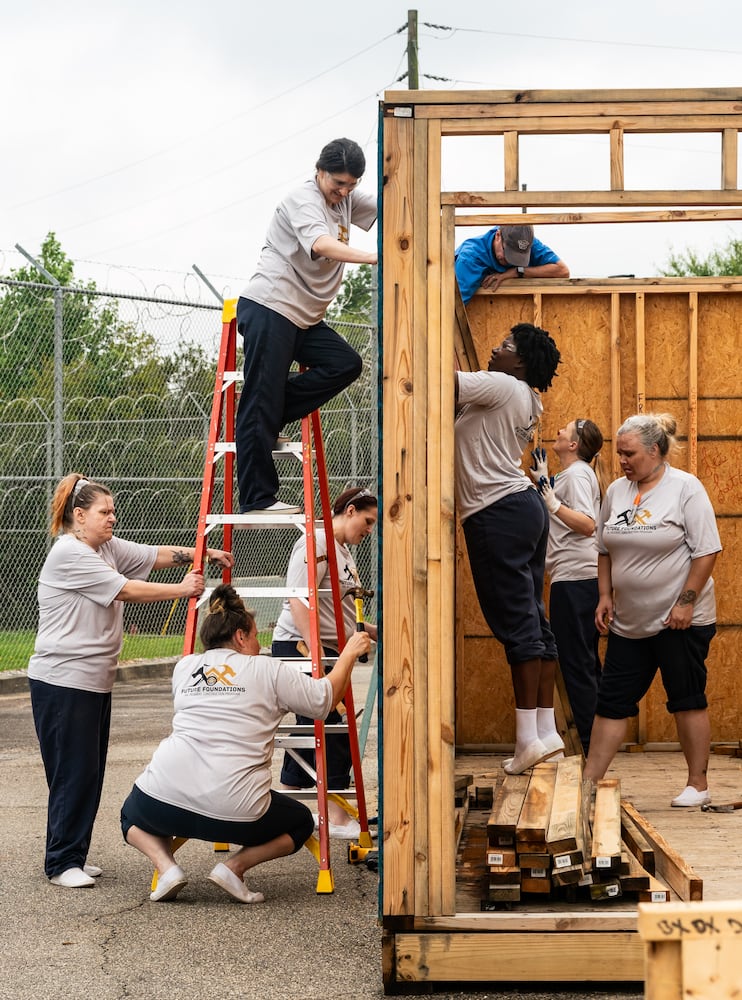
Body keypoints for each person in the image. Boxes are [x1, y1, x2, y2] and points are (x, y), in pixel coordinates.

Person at [28, 473, 233, 890]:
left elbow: (152, 554)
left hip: (92, 680)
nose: (113, 519)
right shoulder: (70, 553)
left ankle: (73, 855)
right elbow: (125, 590)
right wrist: (183, 589)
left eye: (114, 512)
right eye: (105, 512)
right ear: (79, 515)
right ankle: (61, 861)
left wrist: (204, 552)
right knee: (73, 771)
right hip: (63, 681)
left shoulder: (103, 547)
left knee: (86, 771)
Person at [121, 585, 371, 903]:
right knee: (300, 823)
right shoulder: (268, 669)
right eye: (254, 636)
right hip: (236, 812)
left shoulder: (184, 668)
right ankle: (233, 868)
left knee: (129, 816)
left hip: (163, 798)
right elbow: (323, 701)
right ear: (240, 636)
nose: (258, 644)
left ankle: (167, 867)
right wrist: (348, 653)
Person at [583, 414, 721, 808]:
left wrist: (685, 603)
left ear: (655, 450)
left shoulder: (685, 489)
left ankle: (698, 784)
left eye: (630, 454)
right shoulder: (617, 492)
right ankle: (590, 781)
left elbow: (707, 551)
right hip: (630, 622)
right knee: (612, 700)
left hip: (678, 621)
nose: (622, 460)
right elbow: (606, 548)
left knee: (686, 696)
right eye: (619, 453)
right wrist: (605, 594)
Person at [235, 137, 378, 515]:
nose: (344, 192)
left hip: (304, 317)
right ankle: (256, 497)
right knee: (259, 397)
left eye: (352, 185)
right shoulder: (304, 200)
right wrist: (373, 257)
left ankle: (273, 410)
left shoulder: (346, 198)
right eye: (337, 184)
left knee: (346, 363)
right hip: (271, 305)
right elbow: (322, 244)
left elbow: (390, 203)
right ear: (319, 172)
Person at [454, 323, 563, 774]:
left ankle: (527, 742)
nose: (495, 350)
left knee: (517, 625)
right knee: (534, 618)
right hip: (522, 508)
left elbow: (436, 382)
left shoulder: (501, 385)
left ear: (519, 363)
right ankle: (544, 730)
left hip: (495, 511)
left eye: (505, 346)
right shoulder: (529, 399)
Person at [272, 486, 378, 838]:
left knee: (314, 724)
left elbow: (342, 613)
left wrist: (375, 630)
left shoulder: (341, 550)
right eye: (367, 520)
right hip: (301, 646)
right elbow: (299, 599)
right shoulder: (316, 542)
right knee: (332, 723)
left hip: (329, 647)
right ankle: (333, 814)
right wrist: (317, 653)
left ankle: (288, 790)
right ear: (349, 510)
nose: (369, 529)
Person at [529, 419, 609, 754]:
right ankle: (602, 737)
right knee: (586, 663)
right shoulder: (573, 475)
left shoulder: (577, 475)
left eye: (565, 431)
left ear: (574, 445)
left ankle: (594, 746)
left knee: (577, 665)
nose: (559, 432)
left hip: (575, 582)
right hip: (578, 581)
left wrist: (550, 502)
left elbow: (588, 525)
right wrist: (545, 483)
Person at [454, 223, 569, 303]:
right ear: (498, 236)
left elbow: (563, 271)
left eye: (518, 257)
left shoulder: (527, 244)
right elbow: (451, 309)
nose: (510, 261)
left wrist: (517, 271)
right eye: (508, 253)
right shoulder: (469, 259)